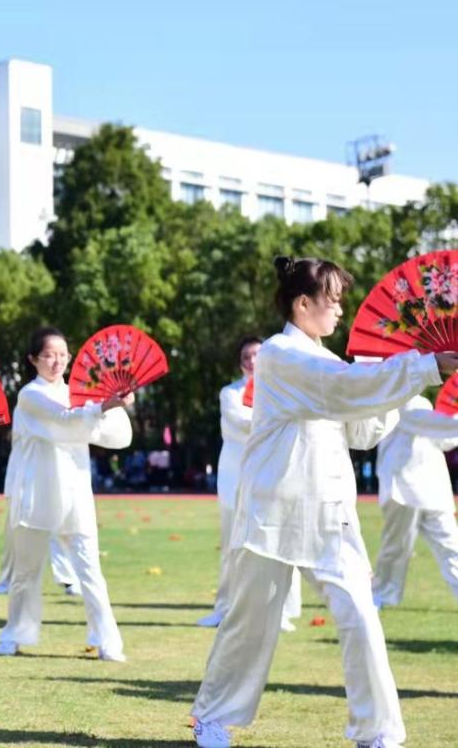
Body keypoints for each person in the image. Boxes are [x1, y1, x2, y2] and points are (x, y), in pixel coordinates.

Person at [190, 256, 458, 748]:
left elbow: (360, 429)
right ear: (303, 303)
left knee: (361, 616)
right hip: (273, 509)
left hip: (329, 512)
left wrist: (392, 380)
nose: (339, 311)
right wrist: (419, 366)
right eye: (332, 301)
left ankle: (376, 731)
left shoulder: (327, 360)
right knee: (250, 623)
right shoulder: (278, 355)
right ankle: (213, 716)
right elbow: (339, 390)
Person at [0, 326, 133, 661]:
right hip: (36, 490)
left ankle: (108, 640)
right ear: (33, 360)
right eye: (48, 355)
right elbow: (62, 420)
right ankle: (15, 633)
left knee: (89, 569)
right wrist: (101, 407)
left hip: (74, 490)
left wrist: (115, 406)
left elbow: (118, 437)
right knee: (26, 572)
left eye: (62, 355)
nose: (56, 361)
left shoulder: (80, 395)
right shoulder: (30, 395)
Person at [198, 337, 301, 631]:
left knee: (278, 539)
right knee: (233, 541)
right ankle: (224, 607)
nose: (253, 360)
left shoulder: (283, 389)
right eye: (247, 355)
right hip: (235, 473)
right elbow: (242, 421)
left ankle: (281, 610)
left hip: (273, 470)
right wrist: (273, 417)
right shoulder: (230, 393)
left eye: (258, 354)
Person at [371, 395, 458, 608]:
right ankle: (382, 596)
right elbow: (429, 424)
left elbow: (445, 441)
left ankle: (382, 596)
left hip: (432, 488)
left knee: (452, 547)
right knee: (396, 548)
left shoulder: (423, 403)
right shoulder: (397, 400)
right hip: (404, 487)